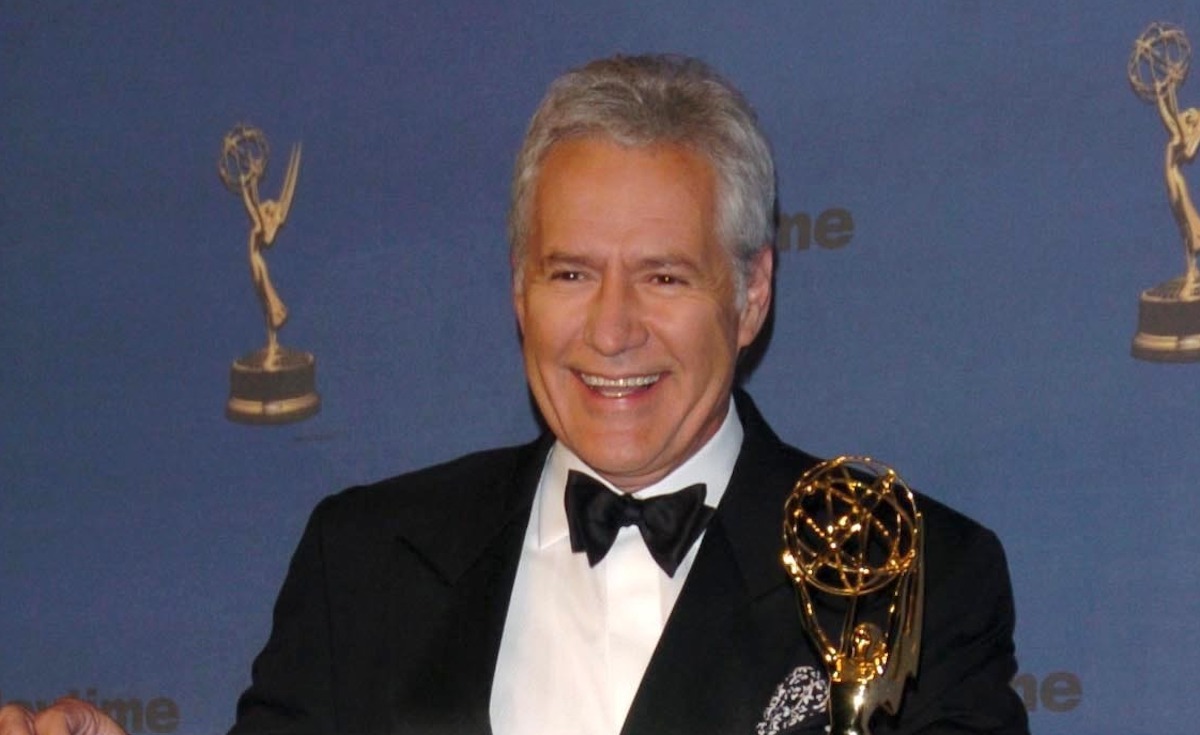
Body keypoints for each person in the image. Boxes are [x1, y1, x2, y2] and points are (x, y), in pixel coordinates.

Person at [0, 53, 1030, 735]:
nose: (610, 329)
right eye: (571, 273)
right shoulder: (363, 560)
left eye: (664, 276)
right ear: (518, 290)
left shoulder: (907, 572)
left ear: (751, 290)